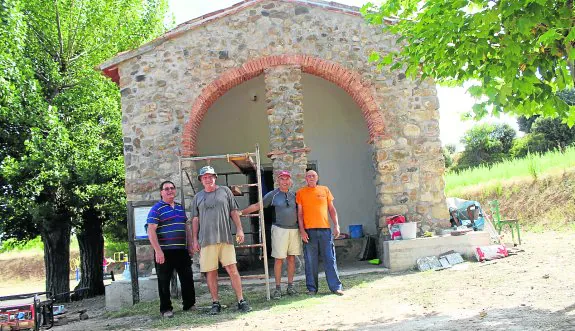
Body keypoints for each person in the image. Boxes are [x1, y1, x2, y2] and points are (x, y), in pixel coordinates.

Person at [189, 165, 252, 314]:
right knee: (211, 272)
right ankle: (215, 303)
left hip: (224, 238)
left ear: (215, 177)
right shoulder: (198, 197)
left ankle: (241, 300)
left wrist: (240, 229)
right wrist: (194, 239)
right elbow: (195, 220)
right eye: (204, 177)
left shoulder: (225, 191)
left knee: (232, 269)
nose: (208, 179)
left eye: (210, 176)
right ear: (201, 180)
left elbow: (233, 212)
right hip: (206, 240)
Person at [241, 170, 301, 300]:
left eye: (287, 179)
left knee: (291, 258)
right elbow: (258, 205)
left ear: (290, 181)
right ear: (278, 181)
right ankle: (278, 288)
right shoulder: (272, 195)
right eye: (282, 179)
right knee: (279, 259)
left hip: (294, 230)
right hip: (279, 229)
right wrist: (241, 213)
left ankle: (290, 286)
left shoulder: (294, 195)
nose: (285, 181)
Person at [147, 180, 196, 318]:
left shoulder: (180, 207)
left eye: (172, 188)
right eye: (166, 188)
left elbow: (186, 227)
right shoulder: (156, 209)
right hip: (164, 251)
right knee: (164, 282)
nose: (169, 191)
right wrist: (158, 251)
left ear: (175, 190)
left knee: (187, 278)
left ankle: (189, 304)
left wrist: (190, 245)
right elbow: (151, 231)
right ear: (161, 192)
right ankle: (166, 309)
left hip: (181, 250)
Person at [296, 170, 344, 296]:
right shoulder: (301, 193)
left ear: (317, 178)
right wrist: (302, 231)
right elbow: (300, 214)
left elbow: (332, 210)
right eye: (309, 176)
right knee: (310, 261)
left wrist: (337, 225)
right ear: (305, 179)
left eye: (313, 176)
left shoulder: (325, 190)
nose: (311, 178)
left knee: (330, 259)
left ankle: (336, 287)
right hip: (309, 232)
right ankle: (312, 289)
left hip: (325, 231)